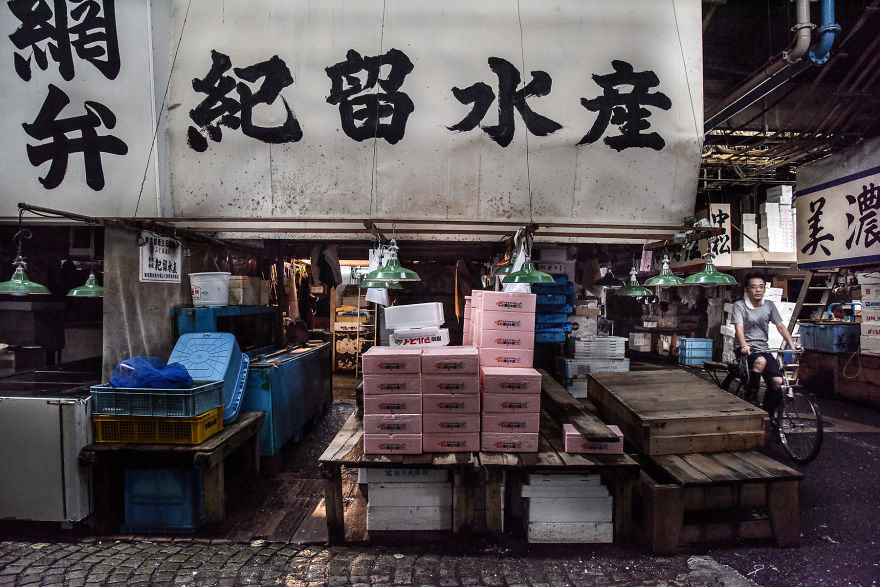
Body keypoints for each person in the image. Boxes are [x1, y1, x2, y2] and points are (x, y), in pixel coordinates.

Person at [730, 273, 797, 412]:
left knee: (778, 382)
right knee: (760, 361)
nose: (758, 290)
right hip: (745, 349)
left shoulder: (769, 305)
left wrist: (792, 345)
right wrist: (743, 345)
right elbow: (739, 328)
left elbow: (780, 326)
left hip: (763, 348)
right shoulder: (739, 306)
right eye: (754, 287)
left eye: (761, 287)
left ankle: (768, 412)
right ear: (747, 290)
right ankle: (751, 398)